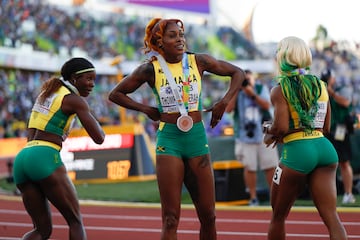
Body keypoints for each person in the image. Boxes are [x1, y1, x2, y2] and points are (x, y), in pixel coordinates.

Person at [108, 18, 245, 240]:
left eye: (181, 35)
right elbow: (115, 94)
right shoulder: (149, 70)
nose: (180, 40)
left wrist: (225, 102)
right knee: (171, 218)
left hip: (196, 138)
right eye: (173, 36)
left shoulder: (198, 61)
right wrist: (145, 109)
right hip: (169, 140)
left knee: (209, 216)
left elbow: (238, 72)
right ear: (159, 42)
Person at [13, 57, 105, 240]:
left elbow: (30, 132)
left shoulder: (46, 95)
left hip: (23, 158)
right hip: (44, 156)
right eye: (88, 78)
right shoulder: (74, 100)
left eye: (94, 79)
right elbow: (99, 137)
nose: (92, 84)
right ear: (74, 79)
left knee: (41, 230)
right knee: (75, 222)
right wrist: (87, 111)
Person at [265, 36, 347, 240]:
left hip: (298, 151)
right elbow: (326, 126)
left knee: (278, 216)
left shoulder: (279, 89)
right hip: (324, 149)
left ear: (283, 56)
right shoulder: (320, 85)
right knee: (332, 216)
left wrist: (269, 130)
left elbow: (282, 127)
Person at [226, 69, 278, 206]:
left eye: (247, 79)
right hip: (244, 136)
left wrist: (252, 94)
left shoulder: (261, 88)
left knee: (270, 166)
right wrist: (236, 89)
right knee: (250, 167)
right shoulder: (237, 92)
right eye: (243, 80)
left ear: (253, 79)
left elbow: (267, 105)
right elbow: (228, 109)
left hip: (264, 133)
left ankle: (275, 196)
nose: (245, 82)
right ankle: (253, 197)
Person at [321, 69, 356, 204]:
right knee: (326, 164)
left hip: (341, 130)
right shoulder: (321, 90)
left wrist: (331, 92)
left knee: (344, 162)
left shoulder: (343, 89)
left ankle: (348, 193)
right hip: (328, 130)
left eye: (328, 78)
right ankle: (327, 194)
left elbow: (346, 102)